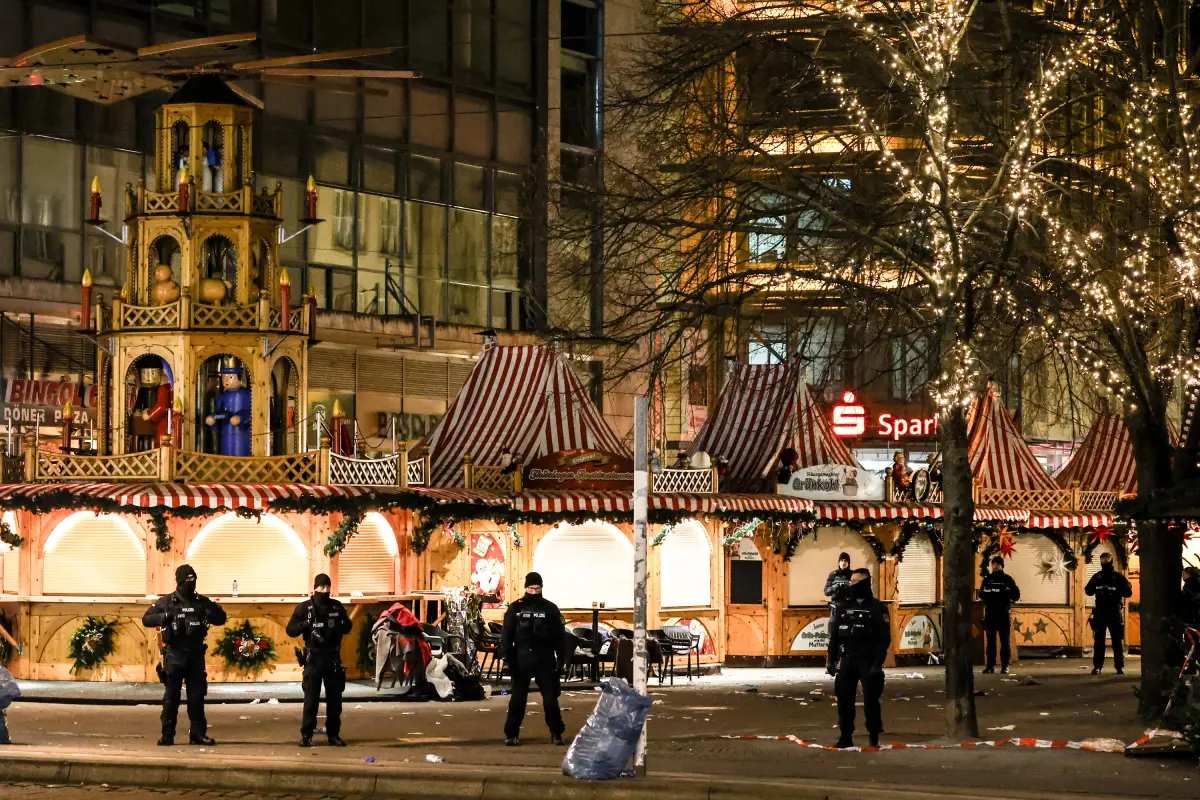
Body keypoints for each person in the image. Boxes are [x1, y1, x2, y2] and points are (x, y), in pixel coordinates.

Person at [142, 565, 226, 746]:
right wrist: (165, 616)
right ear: (179, 582)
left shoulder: (201, 601)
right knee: (171, 697)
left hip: (195, 655)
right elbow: (146, 619)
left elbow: (221, 618)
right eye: (186, 582)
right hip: (174, 654)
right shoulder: (168, 602)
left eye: (193, 581)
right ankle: (167, 734)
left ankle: (197, 734)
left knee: (196, 697)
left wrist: (207, 613)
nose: (190, 585)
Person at [500, 571, 567, 747]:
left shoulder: (550, 609)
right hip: (521, 657)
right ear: (526, 587)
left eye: (537, 589)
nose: (534, 592)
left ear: (542, 587)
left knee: (551, 698)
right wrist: (506, 659)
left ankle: (556, 732)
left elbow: (560, 637)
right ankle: (512, 734)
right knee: (518, 699)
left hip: (544, 657)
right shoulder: (515, 608)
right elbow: (506, 634)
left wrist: (561, 660)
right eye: (531, 588)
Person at [826, 568, 890, 748]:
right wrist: (831, 659)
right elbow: (836, 636)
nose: (850, 585)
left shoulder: (878, 609)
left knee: (871, 699)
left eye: (854, 582)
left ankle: (873, 736)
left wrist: (878, 664)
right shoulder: (844, 607)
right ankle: (845, 735)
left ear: (864, 583)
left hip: (868, 659)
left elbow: (883, 639)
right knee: (844, 698)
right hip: (848, 658)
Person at [287, 573, 353, 747]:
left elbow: (348, 626)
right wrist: (305, 625)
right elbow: (290, 630)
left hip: (332, 658)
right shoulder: (305, 608)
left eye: (327, 587)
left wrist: (338, 623)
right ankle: (307, 735)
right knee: (311, 699)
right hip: (313, 658)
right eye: (321, 587)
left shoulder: (336, 607)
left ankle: (333, 735)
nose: (324, 591)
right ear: (314, 588)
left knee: (335, 701)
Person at [1085, 552, 1133, 675]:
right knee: (1100, 641)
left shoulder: (1116, 577)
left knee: (1116, 641)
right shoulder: (1098, 577)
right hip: (1102, 612)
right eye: (1103, 559)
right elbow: (1088, 591)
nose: (1104, 561)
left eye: (1106, 559)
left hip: (1113, 611)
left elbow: (1128, 593)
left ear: (1110, 561)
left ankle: (1118, 666)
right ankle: (1099, 667)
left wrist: (1121, 589)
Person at [979, 556, 1021, 674]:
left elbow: (1016, 595)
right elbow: (981, 594)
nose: (995, 566)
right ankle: (990, 666)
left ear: (1002, 566)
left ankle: (1004, 666)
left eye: (997, 564)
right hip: (990, 613)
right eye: (993, 564)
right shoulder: (987, 579)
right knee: (990, 641)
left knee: (1004, 641)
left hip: (1002, 612)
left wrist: (1007, 594)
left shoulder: (1007, 579)